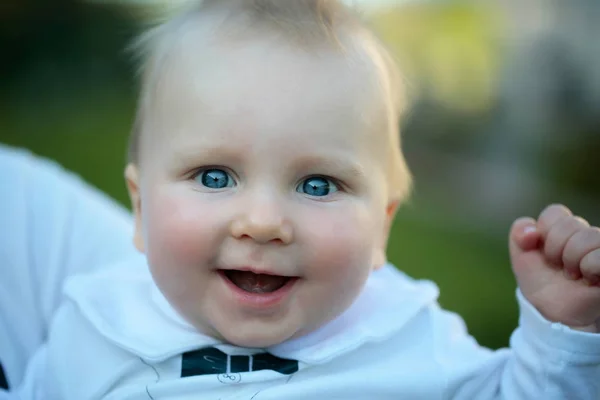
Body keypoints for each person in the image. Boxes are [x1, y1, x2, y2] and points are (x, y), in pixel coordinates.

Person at [17, 1, 600, 398]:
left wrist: (562, 331)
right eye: (215, 177)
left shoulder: (409, 339)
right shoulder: (94, 324)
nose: (265, 223)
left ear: (381, 230)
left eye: (318, 185)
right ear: (140, 211)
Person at [0, 144, 138, 396]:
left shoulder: (20, 196)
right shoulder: (81, 330)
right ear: (140, 206)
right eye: (213, 179)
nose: (237, 222)